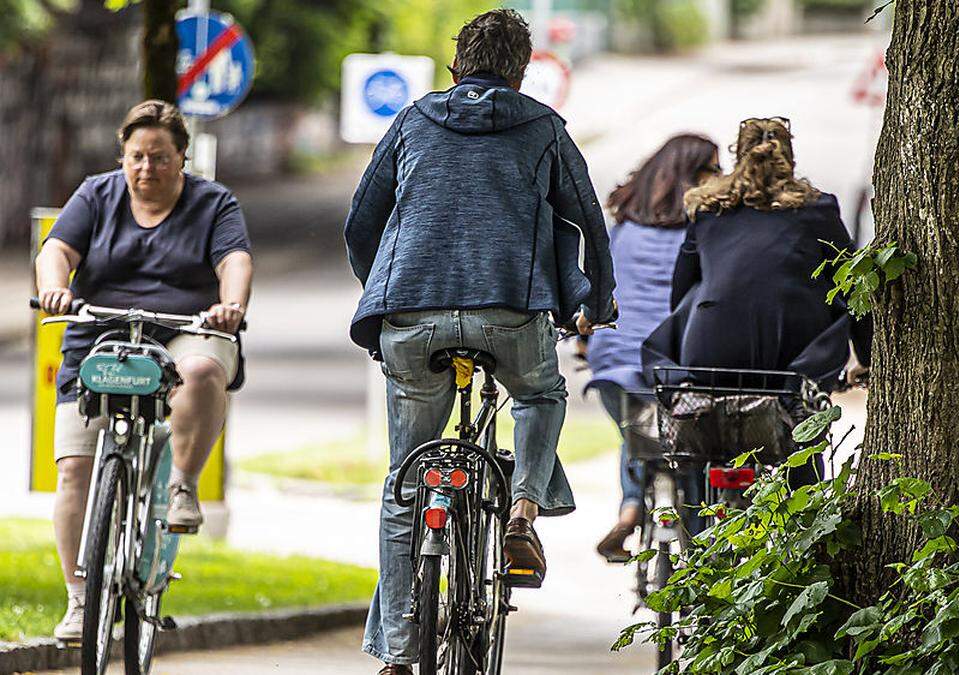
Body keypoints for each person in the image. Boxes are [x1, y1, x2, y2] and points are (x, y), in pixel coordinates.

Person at [342, 9, 616, 673]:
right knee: (540, 392)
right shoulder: (544, 128)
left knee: (406, 482)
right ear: (523, 74)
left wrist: (382, 287)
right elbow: (589, 222)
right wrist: (596, 302)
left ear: (454, 69)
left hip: (412, 317)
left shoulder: (410, 122)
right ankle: (522, 505)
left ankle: (400, 655)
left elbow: (361, 224)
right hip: (509, 314)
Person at [33, 99, 253, 642]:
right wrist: (54, 287)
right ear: (122, 156)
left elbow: (235, 261)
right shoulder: (95, 194)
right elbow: (56, 249)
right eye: (135, 156)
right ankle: (81, 600)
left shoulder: (214, 203)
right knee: (73, 471)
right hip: (102, 333)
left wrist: (231, 305)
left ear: (183, 157)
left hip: (187, 327)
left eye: (159, 157)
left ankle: (182, 484)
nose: (145, 168)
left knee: (202, 370)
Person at [643, 117, 871, 474]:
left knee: (712, 446)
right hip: (790, 358)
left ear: (739, 157)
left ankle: (705, 516)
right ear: (789, 160)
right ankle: (806, 514)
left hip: (709, 354)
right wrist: (867, 356)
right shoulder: (818, 210)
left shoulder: (708, 210)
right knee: (800, 436)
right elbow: (853, 286)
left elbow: (682, 292)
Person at [584, 134, 720, 562]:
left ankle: (629, 507)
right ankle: (699, 556)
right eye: (712, 168)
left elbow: (598, 294)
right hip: (678, 359)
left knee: (638, 429)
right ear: (694, 177)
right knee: (688, 447)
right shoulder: (704, 230)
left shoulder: (621, 229)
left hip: (613, 358)